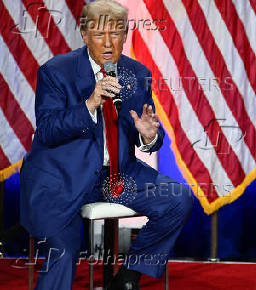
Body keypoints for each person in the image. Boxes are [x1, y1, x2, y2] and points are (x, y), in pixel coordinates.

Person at [19, 1, 192, 289]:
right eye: (100, 34)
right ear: (84, 35)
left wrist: (148, 137)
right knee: (63, 253)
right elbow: (47, 130)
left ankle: (127, 277)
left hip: (116, 175)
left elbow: (147, 127)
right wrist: (90, 104)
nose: (109, 42)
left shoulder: (137, 73)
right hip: (62, 178)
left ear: (126, 36)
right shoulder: (56, 71)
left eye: (117, 33)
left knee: (177, 198)